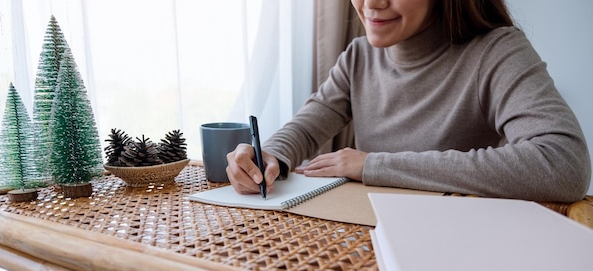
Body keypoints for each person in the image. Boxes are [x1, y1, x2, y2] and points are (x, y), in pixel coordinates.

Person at [226, 0, 591, 203]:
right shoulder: (359, 57)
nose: (371, 4)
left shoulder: (497, 51)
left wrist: (373, 165)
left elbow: (563, 164)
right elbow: (306, 127)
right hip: (367, 232)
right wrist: (269, 156)